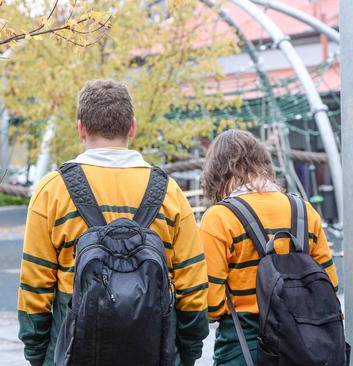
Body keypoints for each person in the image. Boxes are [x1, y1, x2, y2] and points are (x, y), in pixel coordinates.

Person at [17, 79, 209, 366]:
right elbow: (192, 288)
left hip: (72, 352)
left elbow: (35, 286)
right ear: (132, 127)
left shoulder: (52, 190)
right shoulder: (170, 192)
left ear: (81, 128)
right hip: (153, 350)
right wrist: (187, 352)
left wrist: (38, 354)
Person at [199, 129, 339, 365]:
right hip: (307, 346)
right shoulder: (305, 212)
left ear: (216, 173)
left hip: (245, 346)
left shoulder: (220, 217)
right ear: (263, 163)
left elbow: (211, 304)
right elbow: (330, 284)